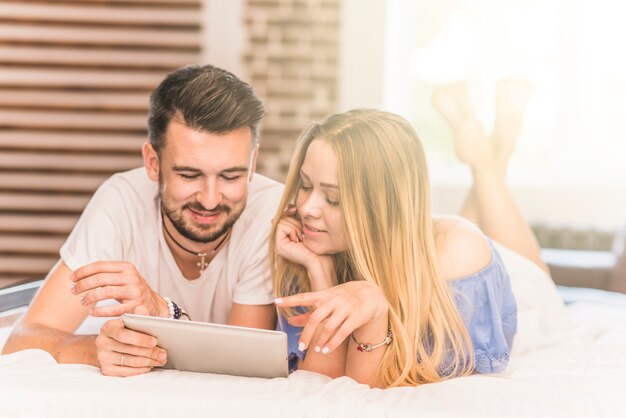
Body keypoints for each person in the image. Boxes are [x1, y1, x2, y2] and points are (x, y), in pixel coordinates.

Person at [2, 64, 284, 376]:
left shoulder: (269, 211)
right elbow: (22, 341)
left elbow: (244, 366)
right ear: (153, 162)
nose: (210, 198)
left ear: (253, 162)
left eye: (231, 176)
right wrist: (94, 349)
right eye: (189, 175)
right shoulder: (121, 201)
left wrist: (164, 313)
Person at [271, 79, 546, 388]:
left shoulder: (459, 255)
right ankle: (493, 149)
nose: (307, 207)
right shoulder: (304, 246)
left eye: (333, 198)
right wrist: (320, 271)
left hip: (513, 285)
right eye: (305, 185)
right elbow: (325, 385)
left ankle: (490, 155)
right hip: (414, 242)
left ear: (381, 206)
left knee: (534, 269)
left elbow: (384, 383)